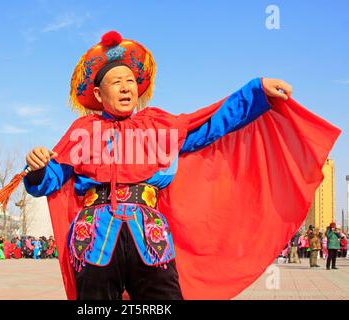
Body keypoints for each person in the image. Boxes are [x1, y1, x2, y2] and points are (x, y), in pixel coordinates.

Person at [23, 31, 339, 299]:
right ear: (97, 93)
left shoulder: (158, 125)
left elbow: (211, 123)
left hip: (149, 235)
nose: (125, 87)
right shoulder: (82, 131)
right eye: (116, 81)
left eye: (131, 81)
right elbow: (51, 178)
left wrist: (256, 92)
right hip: (93, 236)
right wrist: (37, 168)